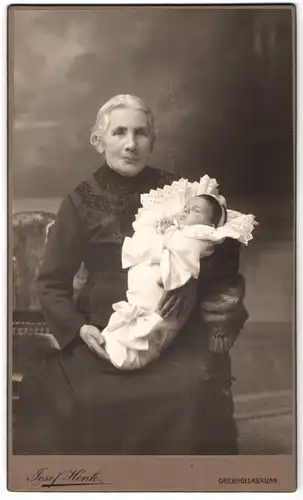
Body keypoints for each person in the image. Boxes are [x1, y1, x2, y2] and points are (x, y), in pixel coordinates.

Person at [14, 94, 249, 455]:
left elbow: (219, 244)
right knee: (63, 397)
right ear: (99, 141)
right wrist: (79, 330)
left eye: (140, 133)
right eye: (119, 132)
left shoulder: (180, 194)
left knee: (189, 394)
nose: (130, 144)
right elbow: (51, 283)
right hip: (103, 330)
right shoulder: (79, 202)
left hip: (171, 327)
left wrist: (191, 286)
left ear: (152, 141)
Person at [100, 190, 256, 370]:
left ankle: (133, 356)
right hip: (137, 294)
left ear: (211, 224)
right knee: (134, 326)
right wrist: (164, 230)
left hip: (172, 298)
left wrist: (168, 232)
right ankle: (122, 350)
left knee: (156, 327)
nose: (185, 212)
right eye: (186, 208)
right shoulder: (175, 225)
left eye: (195, 210)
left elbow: (189, 249)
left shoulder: (204, 234)